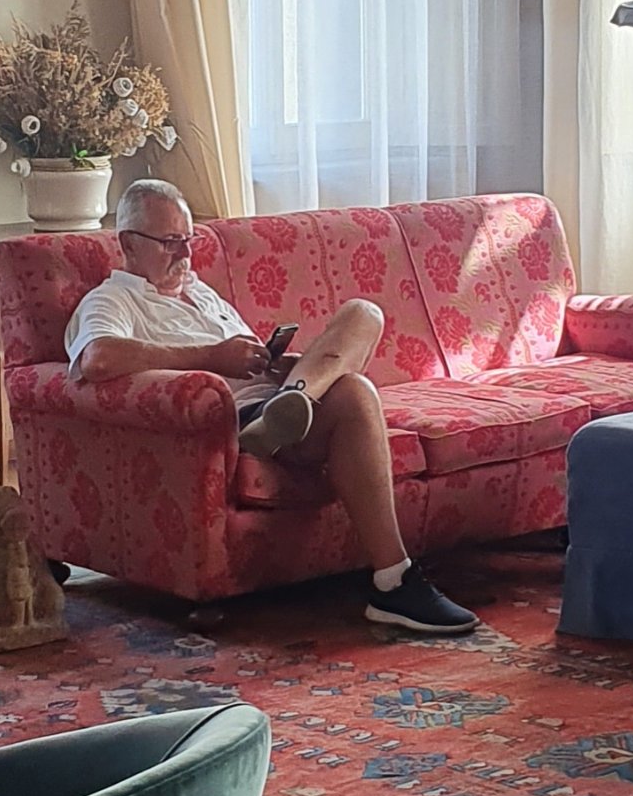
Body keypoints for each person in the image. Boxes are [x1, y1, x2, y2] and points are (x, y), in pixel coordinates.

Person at [65, 178, 477, 636]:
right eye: (169, 242)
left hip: (273, 399)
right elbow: (98, 358)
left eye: (189, 240)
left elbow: (245, 356)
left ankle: (296, 395)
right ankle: (394, 580)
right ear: (128, 244)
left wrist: (281, 365)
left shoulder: (201, 293)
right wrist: (212, 357)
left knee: (364, 314)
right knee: (357, 393)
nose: (185, 254)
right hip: (236, 420)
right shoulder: (112, 299)